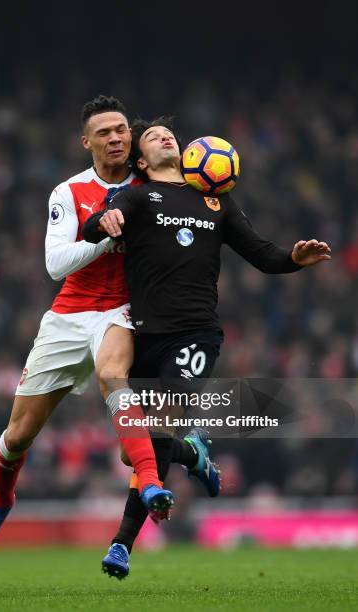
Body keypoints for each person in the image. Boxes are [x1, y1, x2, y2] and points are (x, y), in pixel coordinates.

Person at [83, 117, 332, 578]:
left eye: (168, 134)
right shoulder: (137, 196)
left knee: (157, 430)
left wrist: (295, 259)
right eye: (153, 136)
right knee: (133, 451)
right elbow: (93, 229)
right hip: (143, 338)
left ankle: (121, 544)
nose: (164, 136)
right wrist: (105, 219)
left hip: (194, 335)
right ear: (141, 160)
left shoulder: (217, 202)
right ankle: (192, 454)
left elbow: (263, 254)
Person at [0, 97, 175, 555]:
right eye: (104, 133)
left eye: (121, 129)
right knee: (18, 436)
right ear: (87, 142)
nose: (116, 137)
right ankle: (1, 501)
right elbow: (56, 264)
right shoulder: (69, 191)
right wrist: (102, 232)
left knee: (113, 375)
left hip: (121, 311)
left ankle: (152, 485)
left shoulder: (150, 185)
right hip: (68, 315)